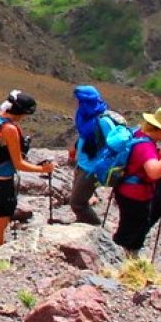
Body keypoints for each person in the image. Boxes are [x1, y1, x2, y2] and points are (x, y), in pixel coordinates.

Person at [0, 90, 54, 258]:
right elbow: (19, 163)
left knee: (1, 221)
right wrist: (43, 170)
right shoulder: (9, 129)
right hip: (0, 182)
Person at [112, 108, 161, 257]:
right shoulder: (146, 146)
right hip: (136, 195)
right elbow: (153, 172)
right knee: (133, 229)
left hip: (125, 188)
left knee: (129, 226)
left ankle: (121, 254)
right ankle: (122, 259)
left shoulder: (138, 134)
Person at [69, 85, 114, 224]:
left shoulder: (104, 121)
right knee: (79, 199)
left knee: (77, 203)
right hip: (82, 163)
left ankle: (94, 227)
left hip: (92, 168)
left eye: (79, 100)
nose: (76, 103)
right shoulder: (85, 116)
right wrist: (76, 148)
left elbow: (113, 144)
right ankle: (82, 223)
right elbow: (85, 136)